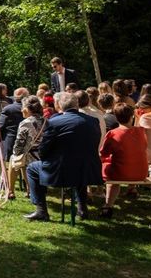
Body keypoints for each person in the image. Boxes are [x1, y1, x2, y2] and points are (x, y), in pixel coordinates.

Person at [24, 92, 102, 221]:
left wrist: (47, 158)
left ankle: (41, 210)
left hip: (62, 171)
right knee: (77, 166)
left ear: (58, 105)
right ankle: (82, 208)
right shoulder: (93, 121)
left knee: (32, 168)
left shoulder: (54, 122)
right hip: (89, 169)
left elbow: (43, 150)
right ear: (77, 105)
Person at [99, 103, 148, 218]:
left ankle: (108, 205)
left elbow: (103, 153)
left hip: (120, 173)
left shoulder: (112, 133)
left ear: (116, 117)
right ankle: (131, 190)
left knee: (108, 167)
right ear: (132, 116)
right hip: (141, 173)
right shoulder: (141, 131)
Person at [9, 96, 46, 200]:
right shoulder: (46, 121)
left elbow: (19, 142)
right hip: (44, 156)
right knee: (21, 159)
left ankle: (11, 191)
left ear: (26, 109)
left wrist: (16, 154)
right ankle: (29, 190)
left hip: (31, 156)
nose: (21, 110)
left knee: (14, 159)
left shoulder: (26, 123)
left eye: (22, 107)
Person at [0, 88, 28, 184]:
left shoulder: (9, 109)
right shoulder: (34, 108)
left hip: (12, 144)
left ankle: (1, 180)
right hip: (30, 145)